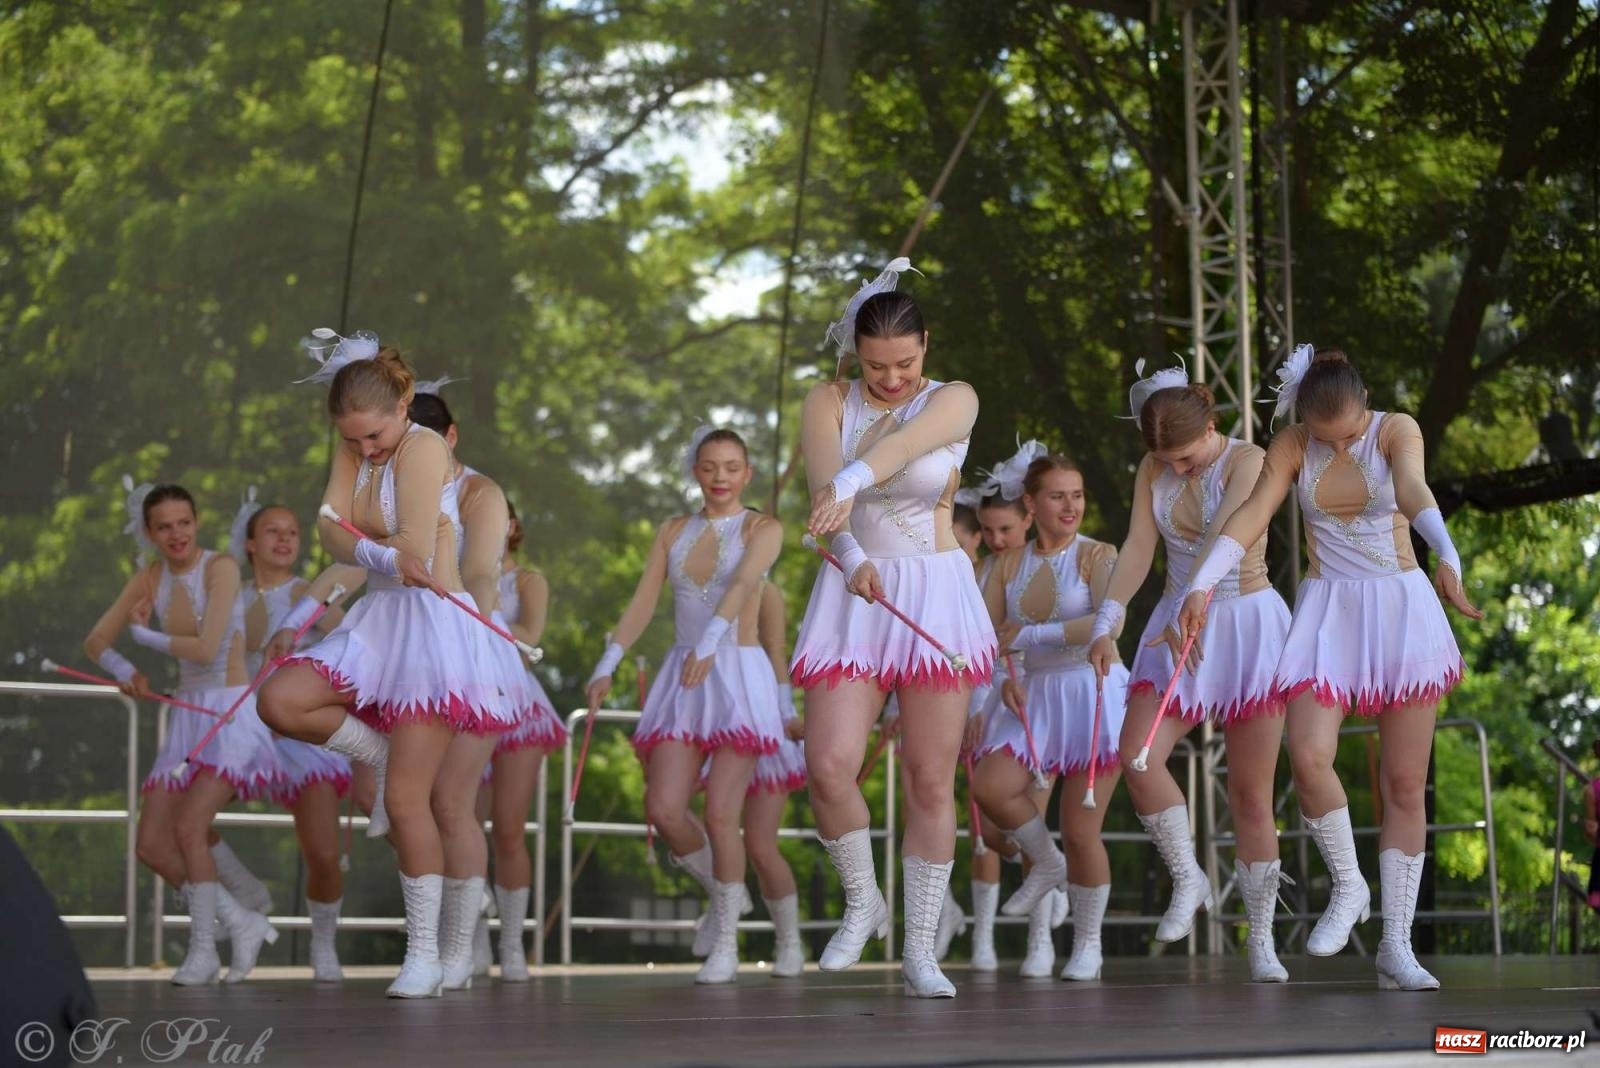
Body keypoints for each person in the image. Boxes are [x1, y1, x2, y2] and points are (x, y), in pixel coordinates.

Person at [1179, 346, 1481, 991]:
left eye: (1347, 434)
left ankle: (1395, 944)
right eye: (1326, 437)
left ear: (1365, 406)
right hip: (1329, 611)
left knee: (1404, 784)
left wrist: (1448, 556)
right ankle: (1349, 886)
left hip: (1400, 607)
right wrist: (1201, 584)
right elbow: (1253, 512)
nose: (1338, 445)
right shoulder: (1292, 443)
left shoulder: (1397, 429)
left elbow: (1411, 489)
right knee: (1309, 755)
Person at [257, 331, 518, 999]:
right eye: (354, 441)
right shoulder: (353, 447)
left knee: (411, 801)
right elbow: (328, 529)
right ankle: (378, 749)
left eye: (374, 437)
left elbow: (408, 543)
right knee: (281, 701)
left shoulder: (426, 447)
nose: (365, 450)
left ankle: (425, 955)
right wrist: (373, 551)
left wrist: (368, 543)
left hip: (433, 629)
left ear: (405, 403)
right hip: (380, 616)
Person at [792, 260, 996, 999]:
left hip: (935, 590)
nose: (890, 379)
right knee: (829, 764)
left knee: (928, 778)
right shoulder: (825, 400)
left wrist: (851, 483)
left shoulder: (955, 399)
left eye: (904, 363)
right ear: (855, 355)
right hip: (855, 588)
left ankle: (920, 948)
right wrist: (848, 556)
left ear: (926, 348)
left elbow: (903, 451)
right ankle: (862, 898)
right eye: (876, 366)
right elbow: (824, 500)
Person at [1088, 363, 1294, 982]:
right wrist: (1108, 620)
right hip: (1174, 622)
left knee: (1251, 795)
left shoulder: (1247, 460)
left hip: (1244, 622)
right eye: (1166, 460)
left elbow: (1222, 541)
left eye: (1185, 456)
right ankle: (1188, 876)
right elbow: (1139, 548)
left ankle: (1262, 940)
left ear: (1212, 423)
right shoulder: (1153, 467)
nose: (1177, 469)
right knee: (1136, 754)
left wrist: (1191, 602)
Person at [585, 426, 784, 985]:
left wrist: (712, 640)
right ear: (695, 471)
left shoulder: (762, 527)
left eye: (731, 467)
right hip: (684, 676)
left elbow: (745, 584)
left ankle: (726, 942)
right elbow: (644, 600)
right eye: (709, 466)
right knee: (666, 807)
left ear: (747, 474)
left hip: (737, 672)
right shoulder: (673, 530)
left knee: (723, 813)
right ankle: (726, 894)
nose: (720, 477)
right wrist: (608, 664)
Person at [84, 482, 280, 985]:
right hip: (187, 715)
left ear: (197, 523)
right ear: (149, 533)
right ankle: (240, 917)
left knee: (190, 828)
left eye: (184, 523)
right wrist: (126, 668)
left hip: (230, 712)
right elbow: (95, 640)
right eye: (164, 526)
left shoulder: (221, 568)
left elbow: (208, 646)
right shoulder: (149, 577)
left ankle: (203, 953)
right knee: (151, 844)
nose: (176, 534)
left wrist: (144, 636)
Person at [973, 454, 1125, 981]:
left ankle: (1087, 944)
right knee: (991, 786)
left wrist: (1030, 637)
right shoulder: (1005, 564)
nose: (1071, 506)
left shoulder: (1098, 554)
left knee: (1081, 830)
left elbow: (1107, 622)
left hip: (1092, 692)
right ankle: (1046, 874)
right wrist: (1005, 676)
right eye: (1058, 496)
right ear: (1031, 505)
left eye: (1077, 494)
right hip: (1032, 696)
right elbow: (988, 634)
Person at [235, 500, 364, 982]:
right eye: (272, 531)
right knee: (183, 819)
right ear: (251, 543)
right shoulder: (230, 595)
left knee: (324, 853)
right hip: (241, 733)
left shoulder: (315, 597)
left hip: (299, 739)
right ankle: (242, 902)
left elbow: (354, 646)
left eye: (292, 531)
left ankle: (324, 942)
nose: (285, 539)